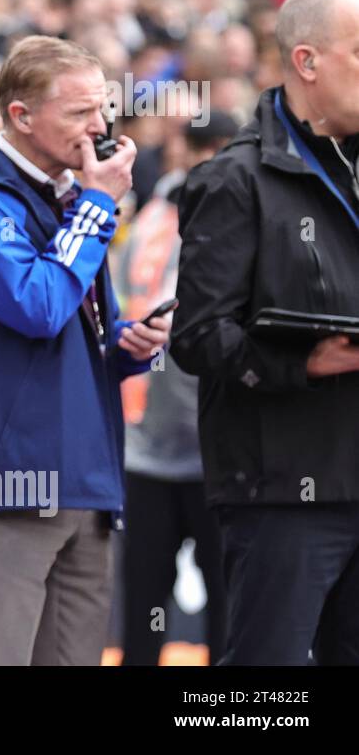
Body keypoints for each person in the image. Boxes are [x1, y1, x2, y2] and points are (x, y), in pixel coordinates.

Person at [0, 36, 170, 665]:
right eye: (79, 113)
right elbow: (36, 305)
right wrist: (96, 207)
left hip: (86, 474)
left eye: (102, 110)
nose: (99, 128)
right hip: (9, 476)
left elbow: (71, 327)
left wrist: (124, 345)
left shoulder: (71, 197)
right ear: (20, 116)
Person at [171, 0, 359, 665]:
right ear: (307, 62)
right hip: (282, 492)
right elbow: (194, 336)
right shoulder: (234, 180)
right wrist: (302, 363)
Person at [117, 112, 238, 665]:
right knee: (218, 601)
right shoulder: (206, 212)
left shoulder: (147, 217)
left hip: (159, 440)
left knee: (149, 602)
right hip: (196, 442)